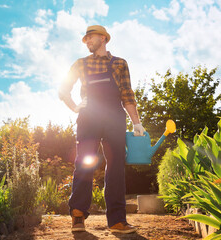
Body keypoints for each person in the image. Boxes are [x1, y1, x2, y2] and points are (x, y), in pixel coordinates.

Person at [58, 25, 145, 234]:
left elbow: (127, 93)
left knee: (115, 166)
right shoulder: (80, 64)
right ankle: (78, 215)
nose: (87, 41)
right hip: (89, 118)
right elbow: (63, 89)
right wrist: (74, 106)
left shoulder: (119, 64)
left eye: (91, 37)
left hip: (115, 117)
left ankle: (117, 220)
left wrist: (137, 122)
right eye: (85, 38)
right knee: (84, 163)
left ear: (103, 38)